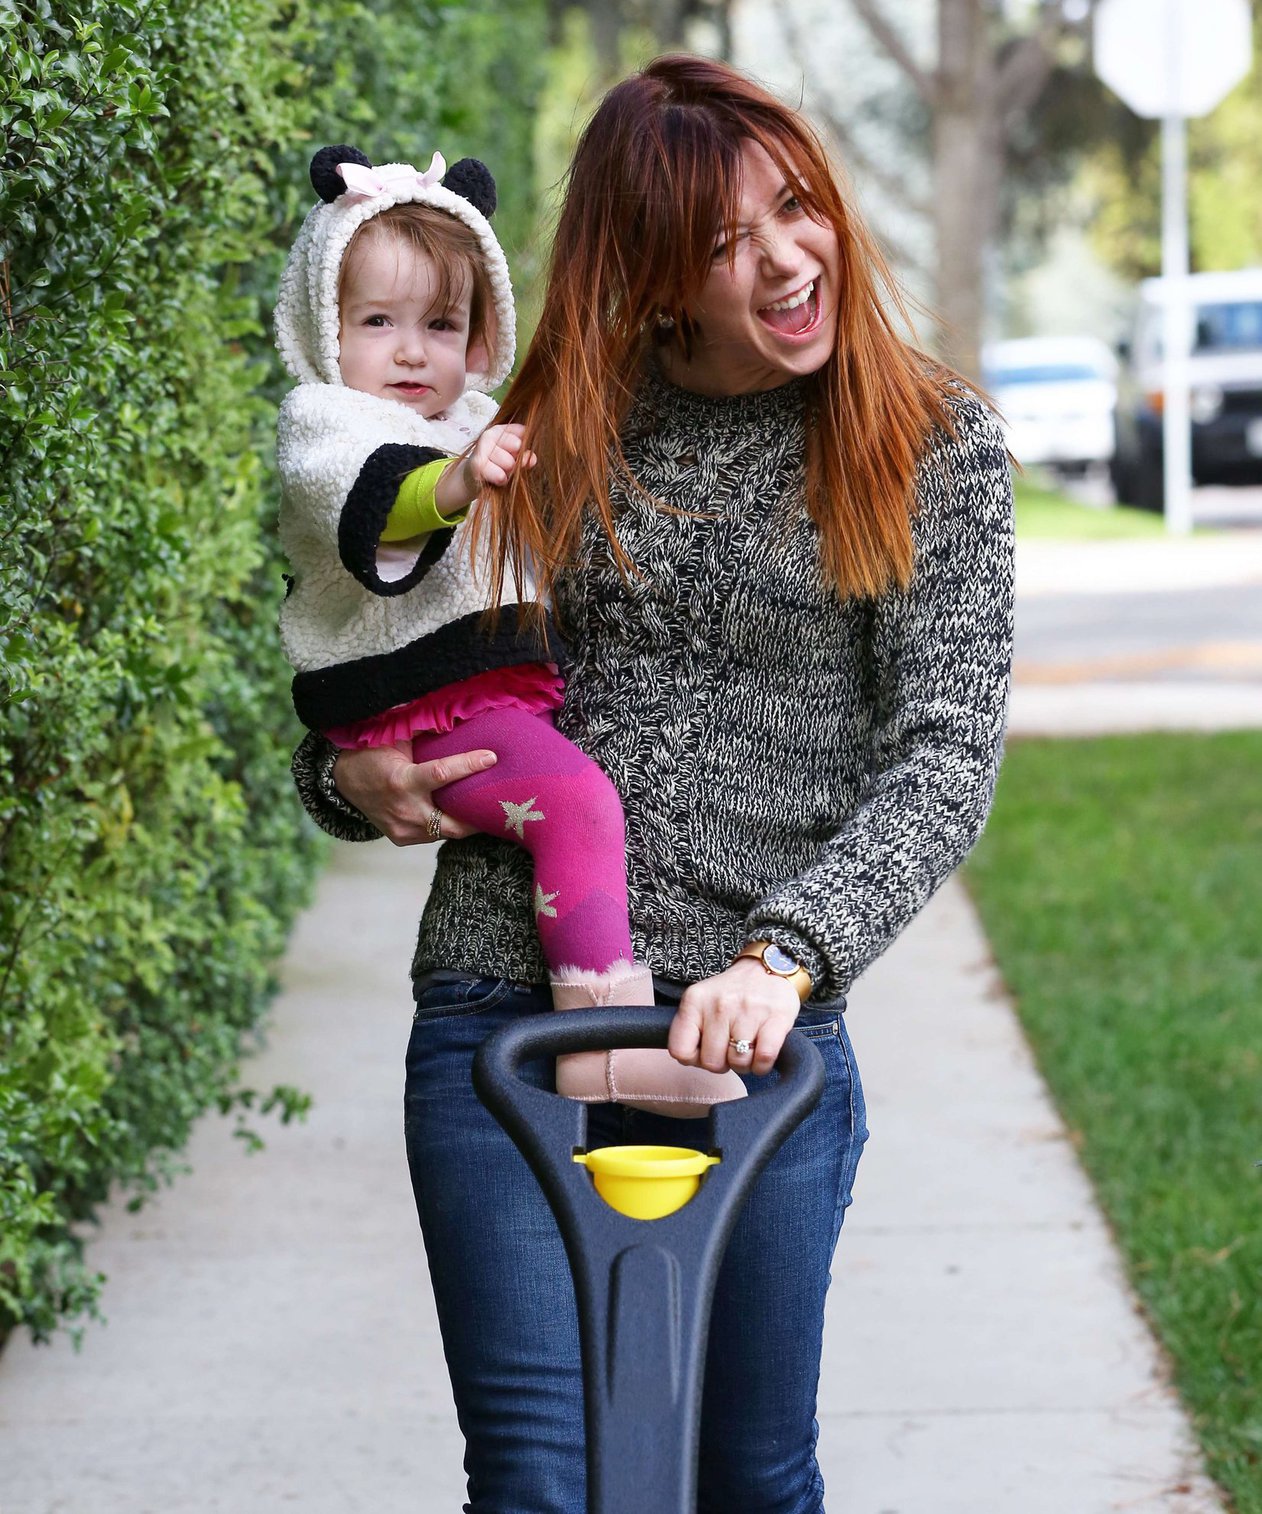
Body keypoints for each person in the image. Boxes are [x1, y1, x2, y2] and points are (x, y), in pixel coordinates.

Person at [290, 55, 1014, 1514]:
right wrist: (341, 771)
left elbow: (941, 756)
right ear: (658, 271)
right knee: (539, 1485)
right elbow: (398, 646)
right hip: (503, 1010)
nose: (783, 257)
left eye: (794, 209)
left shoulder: (931, 446)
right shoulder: (560, 421)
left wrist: (785, 953)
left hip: (762, 1042)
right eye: (723, 239)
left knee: (751, 1476)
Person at [274, 142, 743, 1116]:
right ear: (323, 326)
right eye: (377, 322)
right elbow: (378, 504)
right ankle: (602, 1044)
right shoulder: (327, 422)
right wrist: (456, 479)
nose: (411, 351)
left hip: (456, 693)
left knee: (572, 807)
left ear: (480, 331)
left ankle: (600, 1036)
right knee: (575, 806)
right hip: (415, 697)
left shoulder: (475, 417)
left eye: (441, 324)